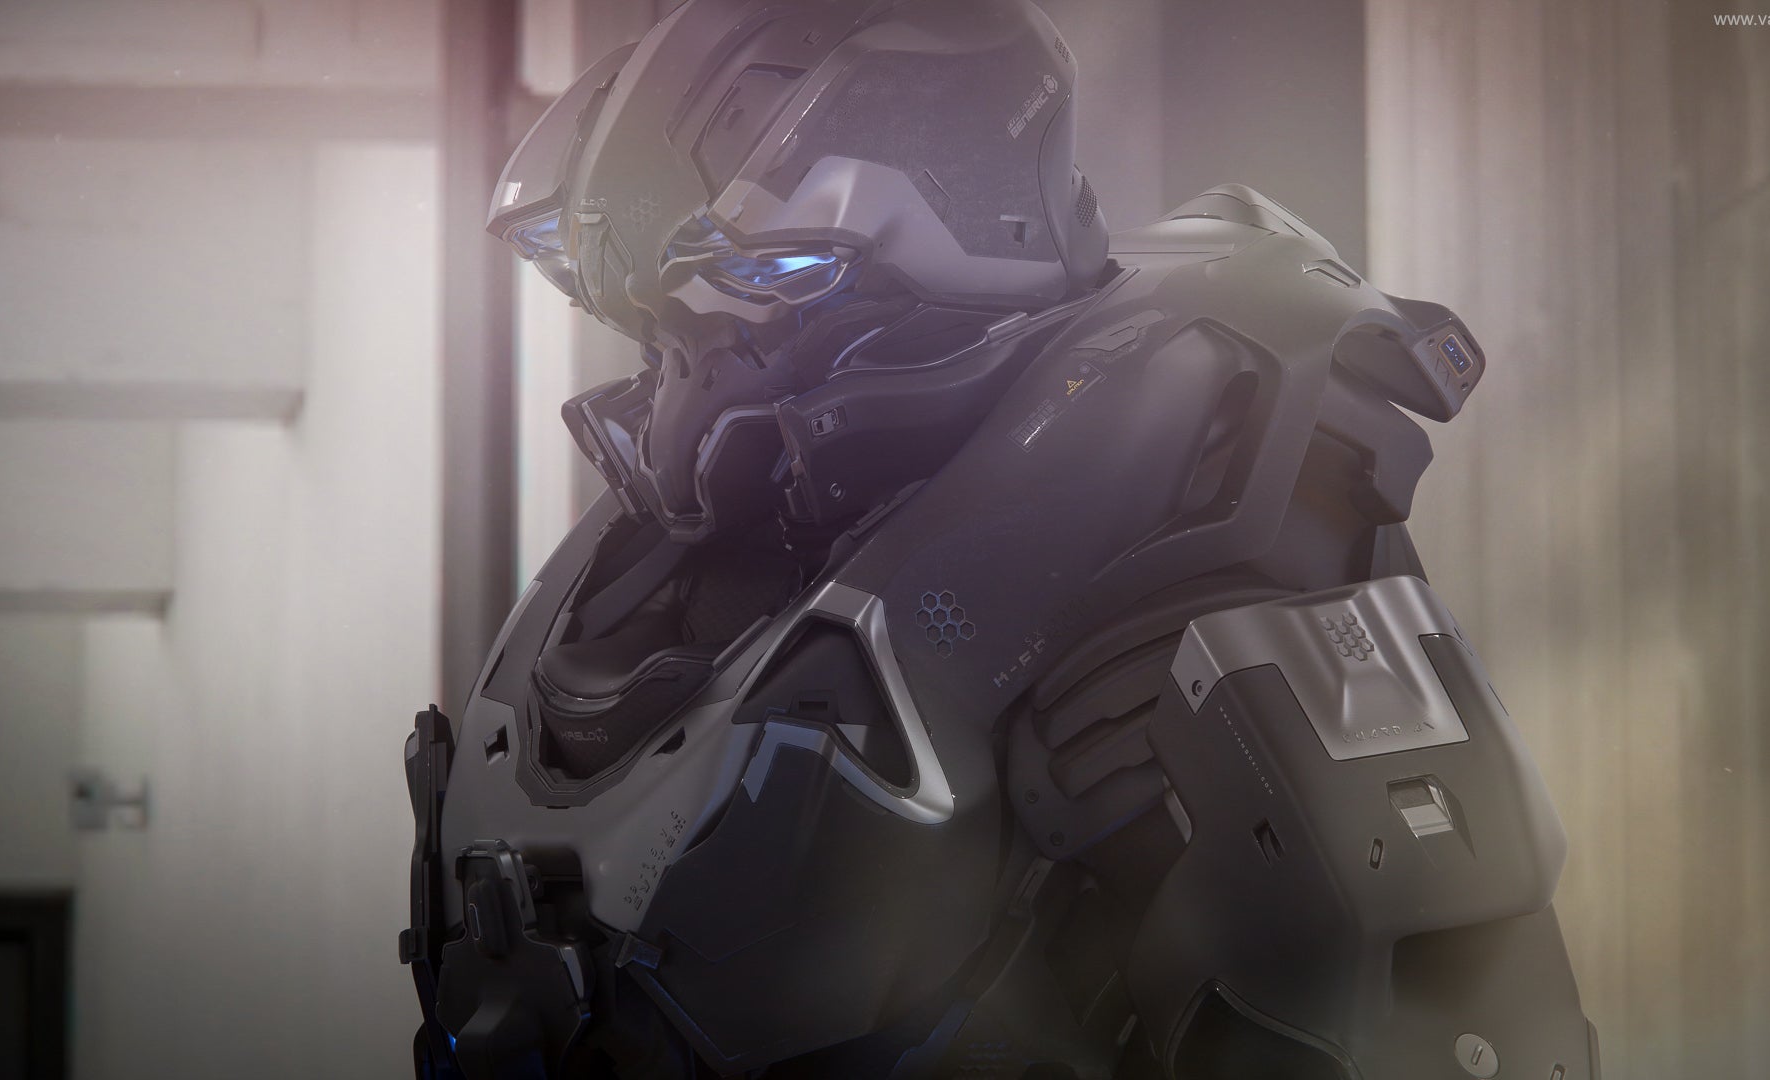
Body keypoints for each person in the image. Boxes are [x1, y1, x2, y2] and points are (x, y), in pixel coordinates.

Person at [401, 1, 1599, 1076]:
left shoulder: (1180, 532)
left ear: (966, 221)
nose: (690, 374)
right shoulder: (689, 567)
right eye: (661, 318)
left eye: (772, 277)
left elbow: (1428, 1025)